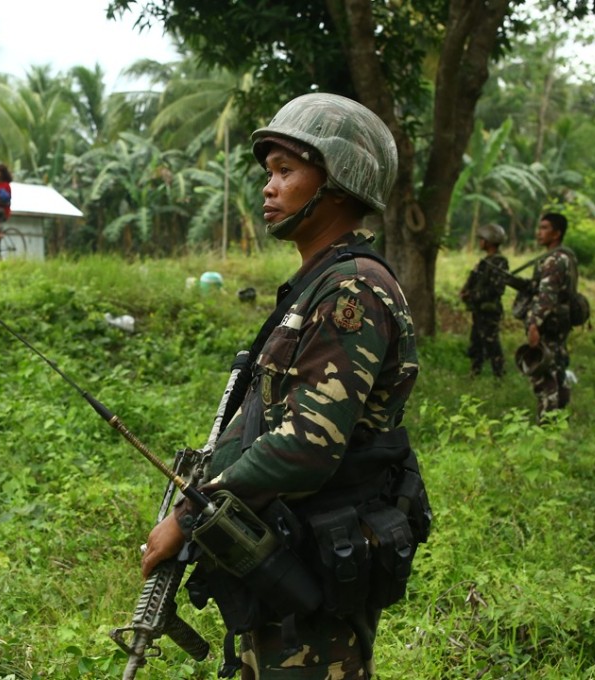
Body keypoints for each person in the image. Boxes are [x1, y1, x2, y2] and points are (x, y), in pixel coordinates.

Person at [140, 93, 428, 679]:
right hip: (280, 551)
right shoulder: (318, 282)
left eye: (286, 171)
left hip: (312, 560)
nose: (268, 188)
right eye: (268, 173)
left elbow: (306, 444)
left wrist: (190, 515)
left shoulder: (352, 290)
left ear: (339, 182)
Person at [521, 212, 577, 422]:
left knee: (544, 374)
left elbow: (547, 297)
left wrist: (534, 324)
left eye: (545, 228)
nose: (539, 232)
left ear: (557, 233)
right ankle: (559, 419)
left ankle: (548, 421)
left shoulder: (553, 260)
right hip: (560, 323)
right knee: (558, 368)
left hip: (548, 325)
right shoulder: (566, 257)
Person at [459, 223, 509, 377]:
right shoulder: (484, 261)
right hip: (479, 309)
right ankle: (475, 371)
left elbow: (497, 289)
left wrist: (472, 295)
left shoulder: (499, 262)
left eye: (482, 239)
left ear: (488, 241)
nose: (480, 242)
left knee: (491, 342)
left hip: (489, 309)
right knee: (476, 341)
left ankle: (499, 374)